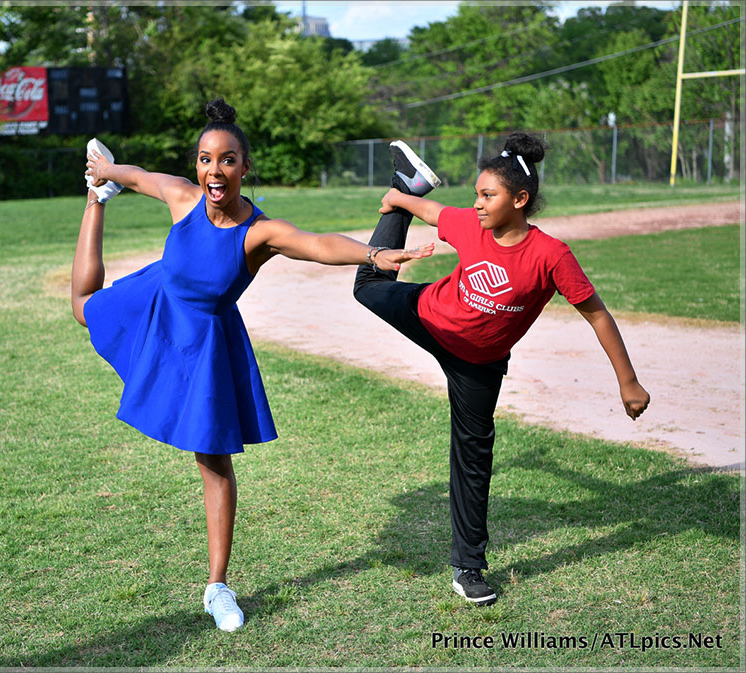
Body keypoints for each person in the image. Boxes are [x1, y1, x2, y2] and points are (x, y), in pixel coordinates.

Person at [71, 98, 433, 632]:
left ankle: (217, 586)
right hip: (158, 301)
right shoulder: (182, 197)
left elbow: (315, 244)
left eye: (227, 160)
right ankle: (93, 203)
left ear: (245, 167)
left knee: (212, 460)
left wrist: (374, 256)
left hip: (206, 339)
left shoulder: (258, 233)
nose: (214, 171)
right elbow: (138, 174)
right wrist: (104, 175)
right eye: (205, 159)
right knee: (83, 309)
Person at [353, 134, 650, 607]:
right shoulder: (472, 226)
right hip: (429, 316)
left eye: (487, 195)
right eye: (475, 194)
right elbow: (436, 214)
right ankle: (403, 179)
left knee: (473, 460)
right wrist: (398, 199)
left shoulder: (551, 255)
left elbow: (597, 313)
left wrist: (628, 380)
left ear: (520, 199)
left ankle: (468, 568)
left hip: (479, 364)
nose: (476, 204)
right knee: (367, 285)